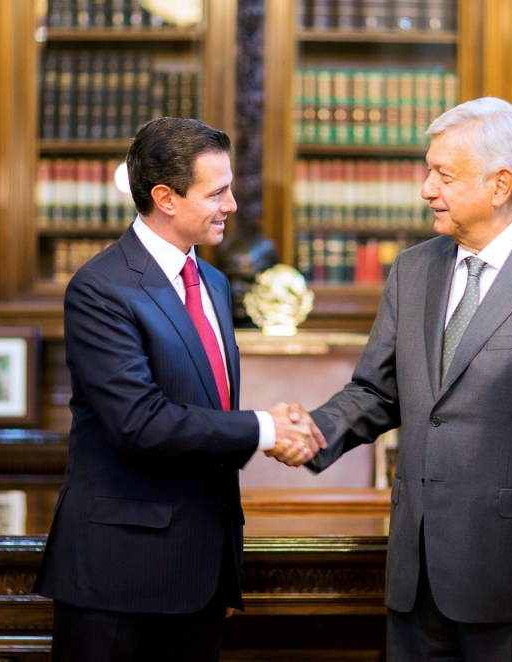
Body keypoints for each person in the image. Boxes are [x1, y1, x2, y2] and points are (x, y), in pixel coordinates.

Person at [302, 97, 512, 661]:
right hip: (416, 579)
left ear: (500, 184)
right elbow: (377, 391)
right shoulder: (413, 271)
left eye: (444, 174)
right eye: (428, 170)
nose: (426, 188)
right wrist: (307, 433)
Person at [33, 117, 323, 662]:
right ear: (165, 197)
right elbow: (140, 423)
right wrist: (266, 428)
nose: (232, 205)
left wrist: (221, 569)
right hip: (119, 582)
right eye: (217, 192)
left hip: (201, 579)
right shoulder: (101, 288)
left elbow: (207, 414)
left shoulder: (212, 282)